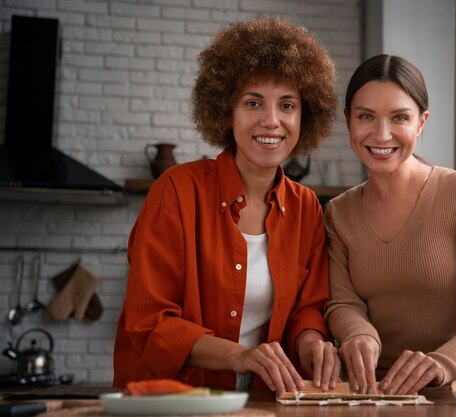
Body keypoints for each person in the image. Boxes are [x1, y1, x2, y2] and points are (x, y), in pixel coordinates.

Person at [113, 16, 340, 394]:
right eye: (253, 103)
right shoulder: (176, 190)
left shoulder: (307, 209)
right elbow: (150, 322)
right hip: (171, 403)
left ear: (305, 116)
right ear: (226, 111)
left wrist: (311, 342)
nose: (272, 121)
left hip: (261, 403)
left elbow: (308, 309)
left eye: (287, 105)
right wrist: (240, 356)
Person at [324, 54, 456, 396]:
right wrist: (358, 333)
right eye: (366, 116)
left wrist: (441, 363)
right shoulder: (338, 213)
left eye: (399, 117)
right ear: (348, 121)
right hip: (370, 396)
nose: (381, 134)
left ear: (421, 122)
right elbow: (342, 303)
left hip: (455, 397)